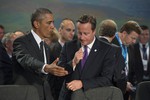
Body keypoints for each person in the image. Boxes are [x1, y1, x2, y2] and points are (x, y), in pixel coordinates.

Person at [12, 8, 68, 100]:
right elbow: (26, 59)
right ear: (36, 24)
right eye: (49, 23)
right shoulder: (21, 42)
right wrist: (45, 67)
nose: (53, 26)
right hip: (27, 95)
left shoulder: (45, 47)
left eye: (53, 22)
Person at [58, 14, 116, 100]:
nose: (82, 37)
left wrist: (82, 83)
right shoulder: (68, 46)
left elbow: (106, 79)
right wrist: (73, 62)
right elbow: (59, 71)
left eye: (86, 33)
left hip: (92, 96)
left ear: (94, 31)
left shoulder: (106, 49)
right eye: (79, 33)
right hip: (68, 97)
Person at [111, 20, 142, 100]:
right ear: (124, 33)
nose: (134, 41)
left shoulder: (130, 47)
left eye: (135, 39)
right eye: (133, 38)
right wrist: (124, 84)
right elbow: (110, 70)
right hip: (112, 91)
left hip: (126, 93)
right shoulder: (110, 44)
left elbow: (131, 69)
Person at [98, 19, 127, 94]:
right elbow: (118, 76)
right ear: (114, 35)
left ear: (99, 31)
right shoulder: (115, 50)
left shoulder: (88, 46)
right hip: (108, 92)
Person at [50, 18, 75, 100]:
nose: (72, 33)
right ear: (60, 30)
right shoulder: (51, 49)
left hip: (73, 92)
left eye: (73, 31)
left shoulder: (77, 49)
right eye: (68, 30)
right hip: (56, 92)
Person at [128, 25, 150, 100]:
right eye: (142, 34)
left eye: (146, 34)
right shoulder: (132, 48)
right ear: (138, 36)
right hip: (136, 84)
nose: (144, 36)